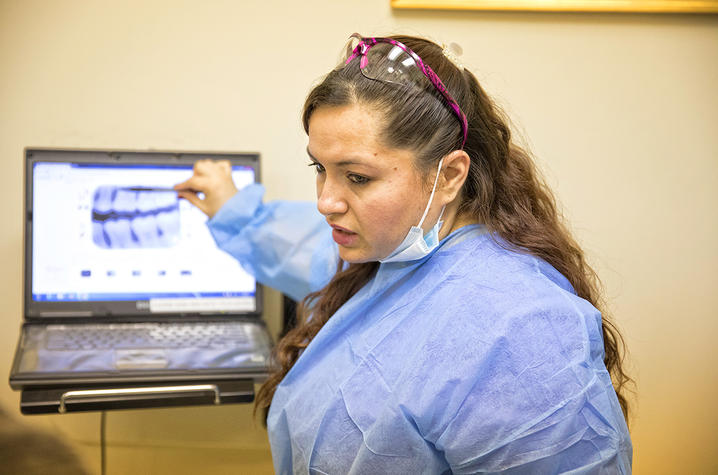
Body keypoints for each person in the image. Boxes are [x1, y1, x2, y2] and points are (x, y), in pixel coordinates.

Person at [176, 34, 633, 474]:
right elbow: (300, 244)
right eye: (320, 169)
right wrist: (233, 210)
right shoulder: (385, 252)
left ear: (450, 175)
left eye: (357, 177)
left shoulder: (520, 328)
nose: (325, 202)